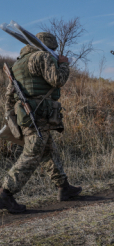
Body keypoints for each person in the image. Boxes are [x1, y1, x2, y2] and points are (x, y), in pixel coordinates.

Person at [0, 32, 82, 213]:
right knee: (32, 154)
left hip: (26, 115)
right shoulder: (42, 56)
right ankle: (5, 193)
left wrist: (11, 118)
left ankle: (64, 187)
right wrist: (63, 64)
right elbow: (57, 80)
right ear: (48, 46)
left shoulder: (18, 63)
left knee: (48, 150)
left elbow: (8, 96)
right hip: (39, 115)